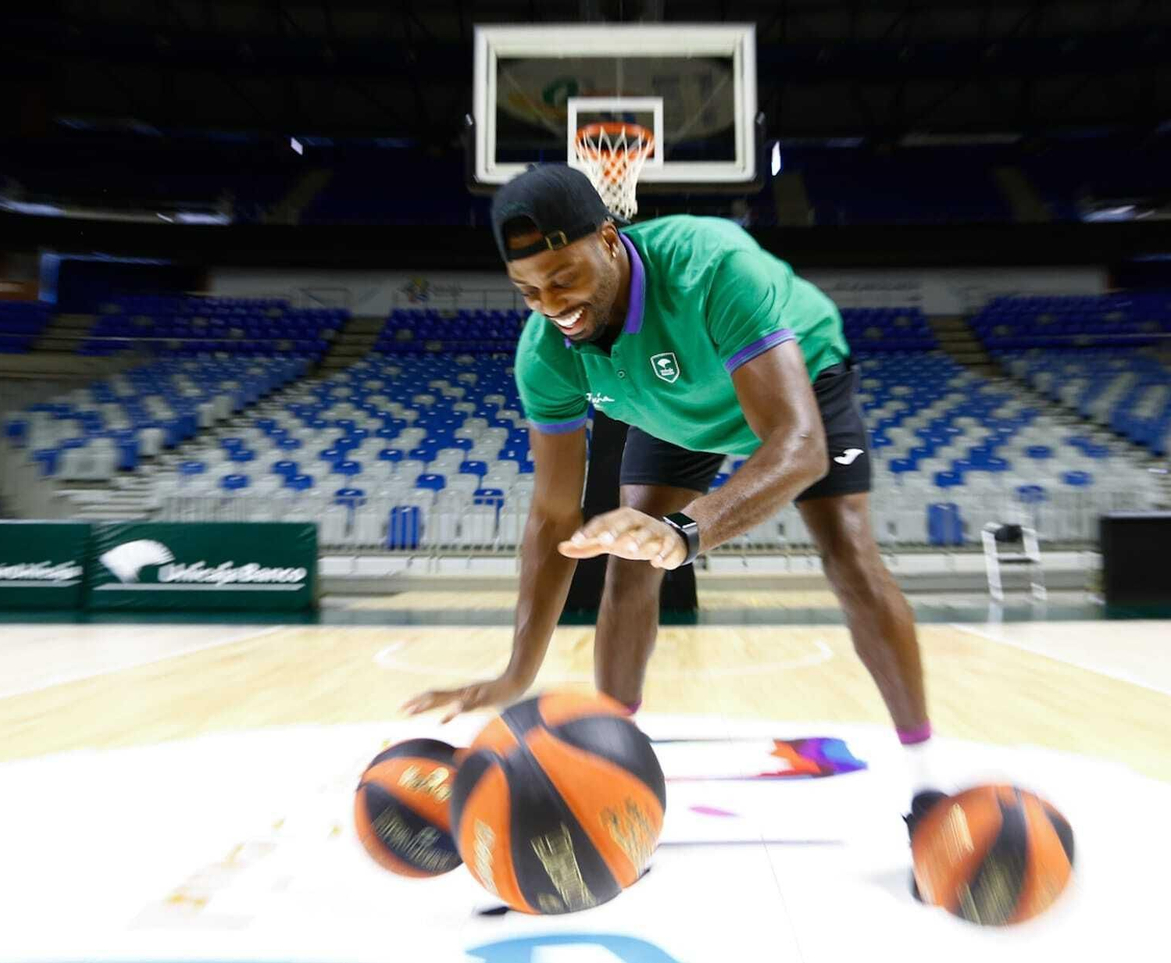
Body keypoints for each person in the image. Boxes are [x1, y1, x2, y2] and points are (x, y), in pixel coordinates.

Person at [403, 164, 946, 827]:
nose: (550, 303)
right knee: (629, 563)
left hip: (798, 378)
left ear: (609, 239)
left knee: (851, 557)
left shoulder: (711, 265)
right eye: (529, 290)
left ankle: (928, 786)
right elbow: (552, 516)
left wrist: (687, 530)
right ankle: (608, 769)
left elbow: (800, 444)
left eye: (563, 277)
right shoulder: (545, 354)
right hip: (675, 414)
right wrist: (517, 672)